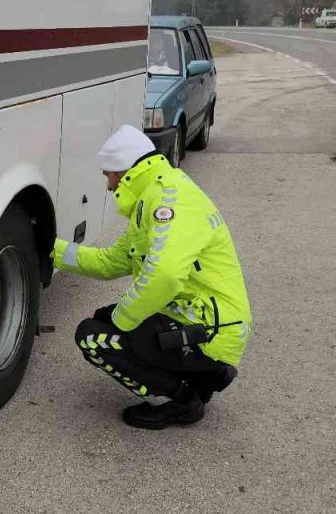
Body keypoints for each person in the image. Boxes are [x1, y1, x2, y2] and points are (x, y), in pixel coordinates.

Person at [51, 125, 252, 430]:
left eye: (109, 175)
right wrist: (51, 250)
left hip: (211, 328)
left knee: (94, 338)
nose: (108, 185)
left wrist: (122, 321)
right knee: (104, 319)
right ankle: (205, 376)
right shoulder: (152, 197)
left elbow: (165, 276)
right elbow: (109, 262)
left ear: (124, 170)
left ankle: (181, 401)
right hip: (201, 318)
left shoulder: (168, 202)